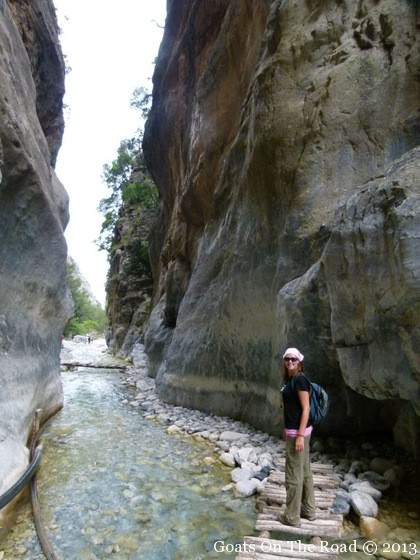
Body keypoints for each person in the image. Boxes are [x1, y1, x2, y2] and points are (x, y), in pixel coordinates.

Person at [279, 347, 316, 527]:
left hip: (298, 435)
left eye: (293, 359)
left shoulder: (300, 380)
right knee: (305, 471)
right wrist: (286, 428)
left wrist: (299, 435)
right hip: (297, 432)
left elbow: (306, 408)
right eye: (287, 359)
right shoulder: (292, 380)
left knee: (293, 475)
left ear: (299, 362)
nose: (290, 362)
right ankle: (308, 510)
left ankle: (292, 517)